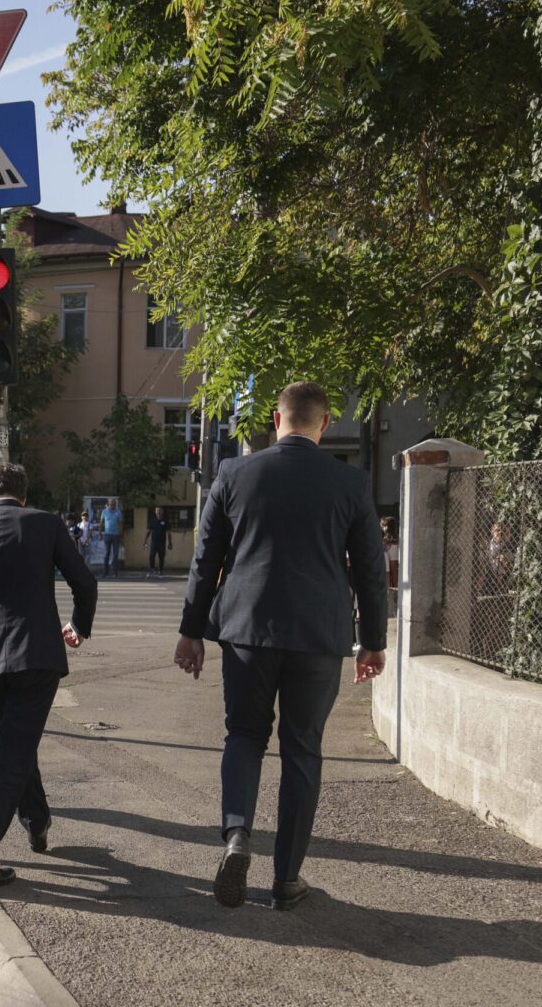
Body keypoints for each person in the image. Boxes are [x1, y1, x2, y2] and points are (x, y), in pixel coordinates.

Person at [174, 381, 387, 912]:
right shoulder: (350, 482)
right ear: (325, 423)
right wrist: (373, 642)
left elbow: (205, 559)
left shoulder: (234, 473)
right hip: (318, 635)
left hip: (247, 630)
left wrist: (191, 631)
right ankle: (287, 879)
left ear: (275, 418)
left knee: (244, 735)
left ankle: (236, 835)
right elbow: (369, 569)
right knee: (302, 750)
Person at [0, 463, 97, 887]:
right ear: (24, 495)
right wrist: (78, 625)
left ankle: (36, 819)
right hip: (37, 654)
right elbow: (85, 583)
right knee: (14, 749)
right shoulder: (46, 524)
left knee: (16, 741)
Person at [145, 507, 172, 578]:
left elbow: (169, 533)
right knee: (151, 556)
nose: (158, 512)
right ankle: (152, 570)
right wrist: (145, 540)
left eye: (160, 510)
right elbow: (149, 531)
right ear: (155, 512)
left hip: (162, 543)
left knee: (161, 557)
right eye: (157, 510)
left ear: (162, 511)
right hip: (154, 542)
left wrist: (170, 543)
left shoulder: (165, 521)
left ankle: (160, 570)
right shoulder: (152, 521)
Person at [100, 498, 124, 577]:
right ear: (108, 504)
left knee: (115, 554)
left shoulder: (118, 512)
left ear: (115, 504)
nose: (113, 505)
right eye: (111, 503)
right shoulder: (104, 511)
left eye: (114, 504)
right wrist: (100, 532)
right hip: (107, 535)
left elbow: (120, 523)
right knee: (106, 554)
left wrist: (121, 534)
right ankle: (105, 572)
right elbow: (101, 522)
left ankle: (115, 572)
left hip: (116, 535)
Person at [381, 516, 400, 589]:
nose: (383, 528)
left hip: (393, 579)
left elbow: (394, 567)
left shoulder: (394, 542)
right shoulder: (384, 540)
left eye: (384, 526)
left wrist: (395, 586)